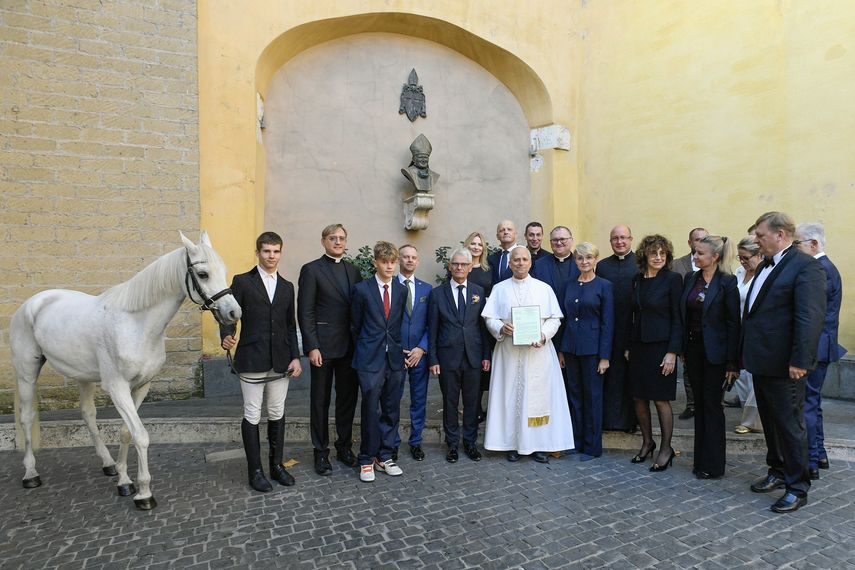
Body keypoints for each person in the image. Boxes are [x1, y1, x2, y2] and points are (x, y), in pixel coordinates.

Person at [742, 211, 825, 514]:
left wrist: (800, 360)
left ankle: (797, 487)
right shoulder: (766, 264)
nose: (757, 240)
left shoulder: (804, 267)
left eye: (761, 235)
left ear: (780, 234)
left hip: (786, 364)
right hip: (763, 361)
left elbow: (809, 318)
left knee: (790, 425)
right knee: (772, 423)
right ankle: (777, 471)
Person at [220, 232, 303, 492]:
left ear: (281, 253)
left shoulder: (288, 286)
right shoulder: (243, 282)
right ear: (258, 252)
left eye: (276, 251)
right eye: (266, 251)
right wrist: (226, 336)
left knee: (277, 412)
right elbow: (229, 316)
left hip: (281, 360)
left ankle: (276, 466)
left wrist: (295, 356)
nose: (271, 256)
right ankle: (255, 472)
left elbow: (291, 326)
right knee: (252, 413)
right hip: (251, 357)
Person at [482, 246, 574, 462]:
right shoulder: (499, 288)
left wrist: (543, 335)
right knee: (510, 396)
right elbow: (489, 318)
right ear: (510, 263)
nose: (520, 263)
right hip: (509, 353)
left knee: (537, 398)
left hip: (538, 353)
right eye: (516, 260)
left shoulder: (544, 288)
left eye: (524, 259)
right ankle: (512, 444)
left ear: (530, 263)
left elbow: (554, 319)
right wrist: (500, 328)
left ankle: (539, 445)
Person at [297, 223, 362, 476]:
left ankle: (344, 447)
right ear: (323, 241)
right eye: (333, 238)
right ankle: (320, 452)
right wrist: (311, 346)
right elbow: (306, 312)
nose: (338, 242)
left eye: (342, 238)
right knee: (320, 402)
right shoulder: (311, 270)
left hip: (349, 348)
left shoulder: (353, 270)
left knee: (347, 401)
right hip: (322, 348)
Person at [679, 235, 740, 479]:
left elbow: (733, 324)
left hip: (716, 354)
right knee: (700, 404)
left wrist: (732, 362)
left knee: (712, 406)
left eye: (700, 253)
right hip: (693, 352)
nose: (695, 257)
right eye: (695, 252)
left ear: (715, 256)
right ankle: (700, 460)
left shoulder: (728, 282)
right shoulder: (690, 279)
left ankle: (714, 465)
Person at [350, 241, 409, 482]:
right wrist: (366, 350)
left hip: (394, 358)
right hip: (369, 359)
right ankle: (366, 459)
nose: (389, 266)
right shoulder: (362, 290)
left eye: (393, 262)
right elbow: (354, 325)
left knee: (391, 408)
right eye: (385, 262)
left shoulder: (402, 290)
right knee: (370, 409)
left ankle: (385, 456)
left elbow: (396, 324)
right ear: (375, 262)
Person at [794, 222, 847, 479]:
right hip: (821, 346)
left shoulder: (820, 269)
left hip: (815, 348)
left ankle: (811, 460)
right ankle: (819, 453)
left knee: (807, 403)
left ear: (814, 244)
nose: (794, 249)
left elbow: (811, 315)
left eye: (797, 244)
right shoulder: (824, 267)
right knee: (813, 403)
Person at [626, 234, 683, 472]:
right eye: (653, 253)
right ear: (644, 256)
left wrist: (672, 352)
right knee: (639, 397)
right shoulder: (637, 280)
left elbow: (678, 318)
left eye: (662, 253)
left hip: (662, 347)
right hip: (639, 346)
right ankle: (648, 442)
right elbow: (634, 316)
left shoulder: (673, 279)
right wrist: (629, 345)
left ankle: (666, 449)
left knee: (660, 399)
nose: (658, 257)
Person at [428, 248, 491, 463]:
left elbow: (482, 327)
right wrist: (433, 359)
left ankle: (470, 443)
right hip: (448, 358)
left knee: (473, 402)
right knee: (450, 402)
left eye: (464, 264)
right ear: (449, 266)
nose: (459, 268)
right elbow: (433, 329)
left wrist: (486, 355)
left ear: (469, 267)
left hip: (473, 357)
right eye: (455, 264)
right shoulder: (437, 294)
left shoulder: (478, 291)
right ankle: (452, 444)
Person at [559, 242, 614, 461]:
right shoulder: (568, 285)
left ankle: (592, 446)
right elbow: (563, 319)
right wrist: (561, 350)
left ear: (595, 260)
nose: (584, 262)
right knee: (574, 396)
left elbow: (608, 323)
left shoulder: (604, 286)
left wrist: (605, 356)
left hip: (593, 351)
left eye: (589, 258)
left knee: (593, 397)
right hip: (571, 348)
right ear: (576, 261)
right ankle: (577, 441)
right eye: (580, 258)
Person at [531, 225, 581, 442]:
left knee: (575, 387)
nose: (559, 243)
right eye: (554, 241)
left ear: (571, 240)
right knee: (548, 387)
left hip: (575, 333)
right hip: (547, 334)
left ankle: (573, 434)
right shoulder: (539, 265)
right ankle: (550, 432)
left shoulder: (581, 263)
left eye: (563, 239)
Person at [596, 224, 640, 432]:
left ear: (631, 239)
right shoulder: (603, 266)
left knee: (630, 377)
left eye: (623, 238)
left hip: (632, 328)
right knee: (610, 375)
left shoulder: (640, 264)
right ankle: (609, 420)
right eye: (615, 238)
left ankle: (631, 421)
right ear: (610, 241)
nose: (619, 242)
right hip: (609, 328)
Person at [394, 244, 433, 462]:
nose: (409, 260)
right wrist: (397, 349)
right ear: (399, 259)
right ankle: (392, 442)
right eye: (406, 257)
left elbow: (431, 324)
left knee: (419, 400)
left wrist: (421, 348)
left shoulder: (427, 289)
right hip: (396, 354)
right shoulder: (390, 287)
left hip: (419, 354)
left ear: (418, 261)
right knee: (392, 401)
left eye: (413, 257)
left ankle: (416, 442)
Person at [671, 227, 709, 420]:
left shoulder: (717, 267)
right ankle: (692, 404)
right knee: (688, 368)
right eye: (697, 239)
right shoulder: (677, 265)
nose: (700, 242)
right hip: (686, 323)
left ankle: (709, 404)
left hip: (708, 325)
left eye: (705, 239)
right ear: (689, 243)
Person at [733, 236, 764, 435]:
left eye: (746, 258)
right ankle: (748, 415)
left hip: (756, 331)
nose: (743, 262)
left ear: (759, 255)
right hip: (737, 329)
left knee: (754, 375)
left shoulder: (764, 275)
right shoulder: (739, 272)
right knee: (741, 374)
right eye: (740, 257)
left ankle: (753, 421)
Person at [463, 231, 494, 422]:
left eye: (479, 244)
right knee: (470, 364)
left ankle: (484, 404)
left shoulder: (488, 269)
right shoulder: (460, 267)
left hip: (486, 322)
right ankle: (473, 407)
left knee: (486, 365)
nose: (476, 247)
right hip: (467, 322)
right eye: (473, 243)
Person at [487, 220, 518, 285]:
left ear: (515, 234)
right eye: (502, 230)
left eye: (509, 229)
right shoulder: (491, 259)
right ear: (497, 236)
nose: (506, 232)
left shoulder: (525, 256)